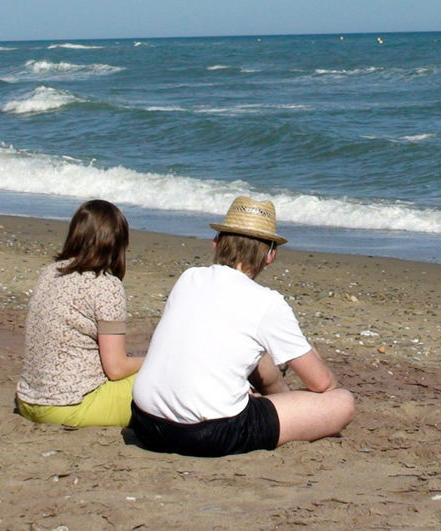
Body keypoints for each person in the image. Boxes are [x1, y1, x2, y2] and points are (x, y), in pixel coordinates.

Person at [130, 196, 355, 457]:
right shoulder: (267, 302)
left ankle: (278, 401)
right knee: (342, 402)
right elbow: (321, 383)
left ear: (216, 242)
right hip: (207, 433)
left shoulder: (189, 278)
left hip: (146, 421)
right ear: (270, 255)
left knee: (255, 350)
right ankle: (284, 405)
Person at [16, 199, 144, 427]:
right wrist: (155, 360)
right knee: (163, 376)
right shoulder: (106, 286)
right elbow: (116, 369)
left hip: (28, 400)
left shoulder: (50, 272)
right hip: (71, 406)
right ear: (117, 243)